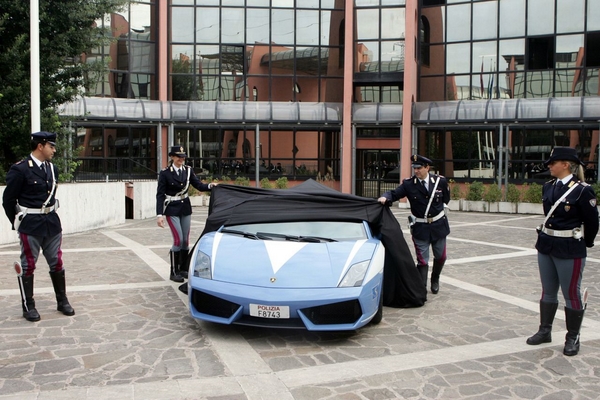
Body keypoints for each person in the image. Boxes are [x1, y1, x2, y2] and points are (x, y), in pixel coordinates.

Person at [527, 147, 598, 356]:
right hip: (547, 244)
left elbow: (592, 222)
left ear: (565, 164)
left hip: (569, 247)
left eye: (552, 162)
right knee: (548, 290)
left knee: (571, 293)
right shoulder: (548, 187)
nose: (549, 166)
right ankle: (544, 330)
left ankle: (572, 337)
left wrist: (586, 243)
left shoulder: (583, 190)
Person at [2, 131, 75, 321]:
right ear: (40, 146)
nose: (54, 150)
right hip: (30, 225)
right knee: (28, 265)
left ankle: (62, 301)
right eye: (51, 146)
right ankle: (29, 306)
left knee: (57, 262)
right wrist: (18, 222)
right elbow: (8, 200)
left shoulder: (52, 169)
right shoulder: (20, 169)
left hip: (51, 223)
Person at [378, 155, 450, 295]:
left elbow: (446, 198)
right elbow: (394, 193)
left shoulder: (440, 182)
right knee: (422, 260)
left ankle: (435, 279)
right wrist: (385, 197)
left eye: (419, 168)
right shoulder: (409, 184)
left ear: (427, 168)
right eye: (414, 168)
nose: (416, 171)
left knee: (441, 256)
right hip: (421, 228)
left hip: (438, 226)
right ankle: (421, 288)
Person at [156, 146, 216, 293]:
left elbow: (199, 185)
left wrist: (210, 186)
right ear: (171, 157)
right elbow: (160, 194)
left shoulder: (188, 170)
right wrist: (159, 215)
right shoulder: (165, 173)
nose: (181, 159)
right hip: (172, 208)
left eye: (183, 157)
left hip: (185, 208)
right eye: (178, 156)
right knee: (178, 240)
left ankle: (183, 268)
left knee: (185, 241)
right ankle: (174, 271)